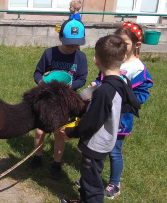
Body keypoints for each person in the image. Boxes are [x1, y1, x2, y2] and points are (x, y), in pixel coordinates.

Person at [59, 35, 141, 203]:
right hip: (107, 140)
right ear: (124, 58)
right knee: (88, 176)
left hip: (96, 143)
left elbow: (91, 122)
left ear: (96, 60)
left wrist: (71, 132)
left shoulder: (104, 92)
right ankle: (83, 199)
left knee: (92, 183)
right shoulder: (121, 82)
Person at [85, 22, 153, 199]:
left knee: (115, 151)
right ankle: (92, 177)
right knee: (97, 145)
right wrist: (97, 84)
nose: (120, 47)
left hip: (120, 119)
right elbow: (103, 77)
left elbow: (141, 95)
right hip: (103, 114)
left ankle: (115, 183)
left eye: (125, 43)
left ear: (136, 45)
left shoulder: (137, 69)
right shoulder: (114, 59)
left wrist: (120, 99)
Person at [28, 19, 88, 180]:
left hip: (65, 101)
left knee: (59, 132)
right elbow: (38, 72)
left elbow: (82, 79)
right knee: (40, 130)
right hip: (47, 99)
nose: (73, 48)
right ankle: (37, 157)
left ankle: (56, 164)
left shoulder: (81, 58)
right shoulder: (49, 53)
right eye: (69, 44)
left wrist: (71, 85)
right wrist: (41, 82)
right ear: (60, 38)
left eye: (76, 45)